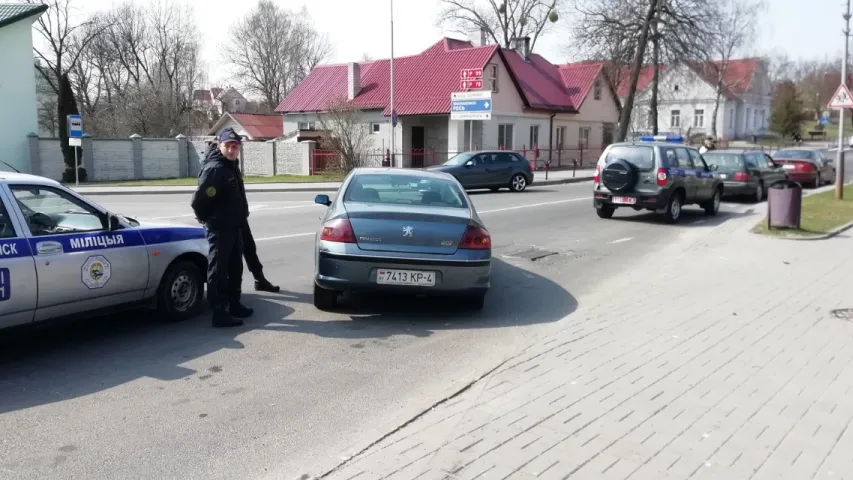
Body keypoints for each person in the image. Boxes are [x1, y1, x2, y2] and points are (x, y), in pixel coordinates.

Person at [191, 127, 254, 327]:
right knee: (218, 270)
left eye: (235, 147)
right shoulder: (215, 169)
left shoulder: (231, 165)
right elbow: (199, 199)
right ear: (220, 145)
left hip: (235, 226)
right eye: (228, 146)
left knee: (236, 267)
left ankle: (234, 304)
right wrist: (204, 217)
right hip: (220, 228)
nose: (232, 150)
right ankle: (219, 313)